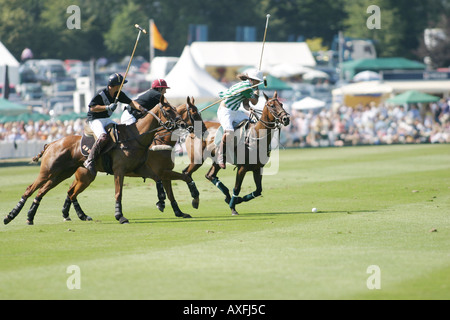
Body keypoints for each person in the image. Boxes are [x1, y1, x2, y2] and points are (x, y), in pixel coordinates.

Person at [83, 73, 145, 175]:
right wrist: (107, 107)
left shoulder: (118, 93)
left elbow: (131, 102)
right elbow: (92, 107)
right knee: (103, 137)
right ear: (115, 85)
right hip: (95, 119)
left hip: (106, 119)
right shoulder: (101, 93)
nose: (122, 86)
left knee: (121, 130)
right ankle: (90, 160)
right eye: (121, 85)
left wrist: (141, 108)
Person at [216, 68, 262, 169]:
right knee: (229, 132)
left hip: (235, 111)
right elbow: (255, 101)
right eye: (258, 81)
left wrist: (249, 109)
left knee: (251, 124)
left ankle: (244, 147)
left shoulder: (249, 86)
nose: (258, 83)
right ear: (252, 80)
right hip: (225, 111)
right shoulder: (246, 87)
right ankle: (220, 155)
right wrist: (257, 92)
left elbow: (246, 103)